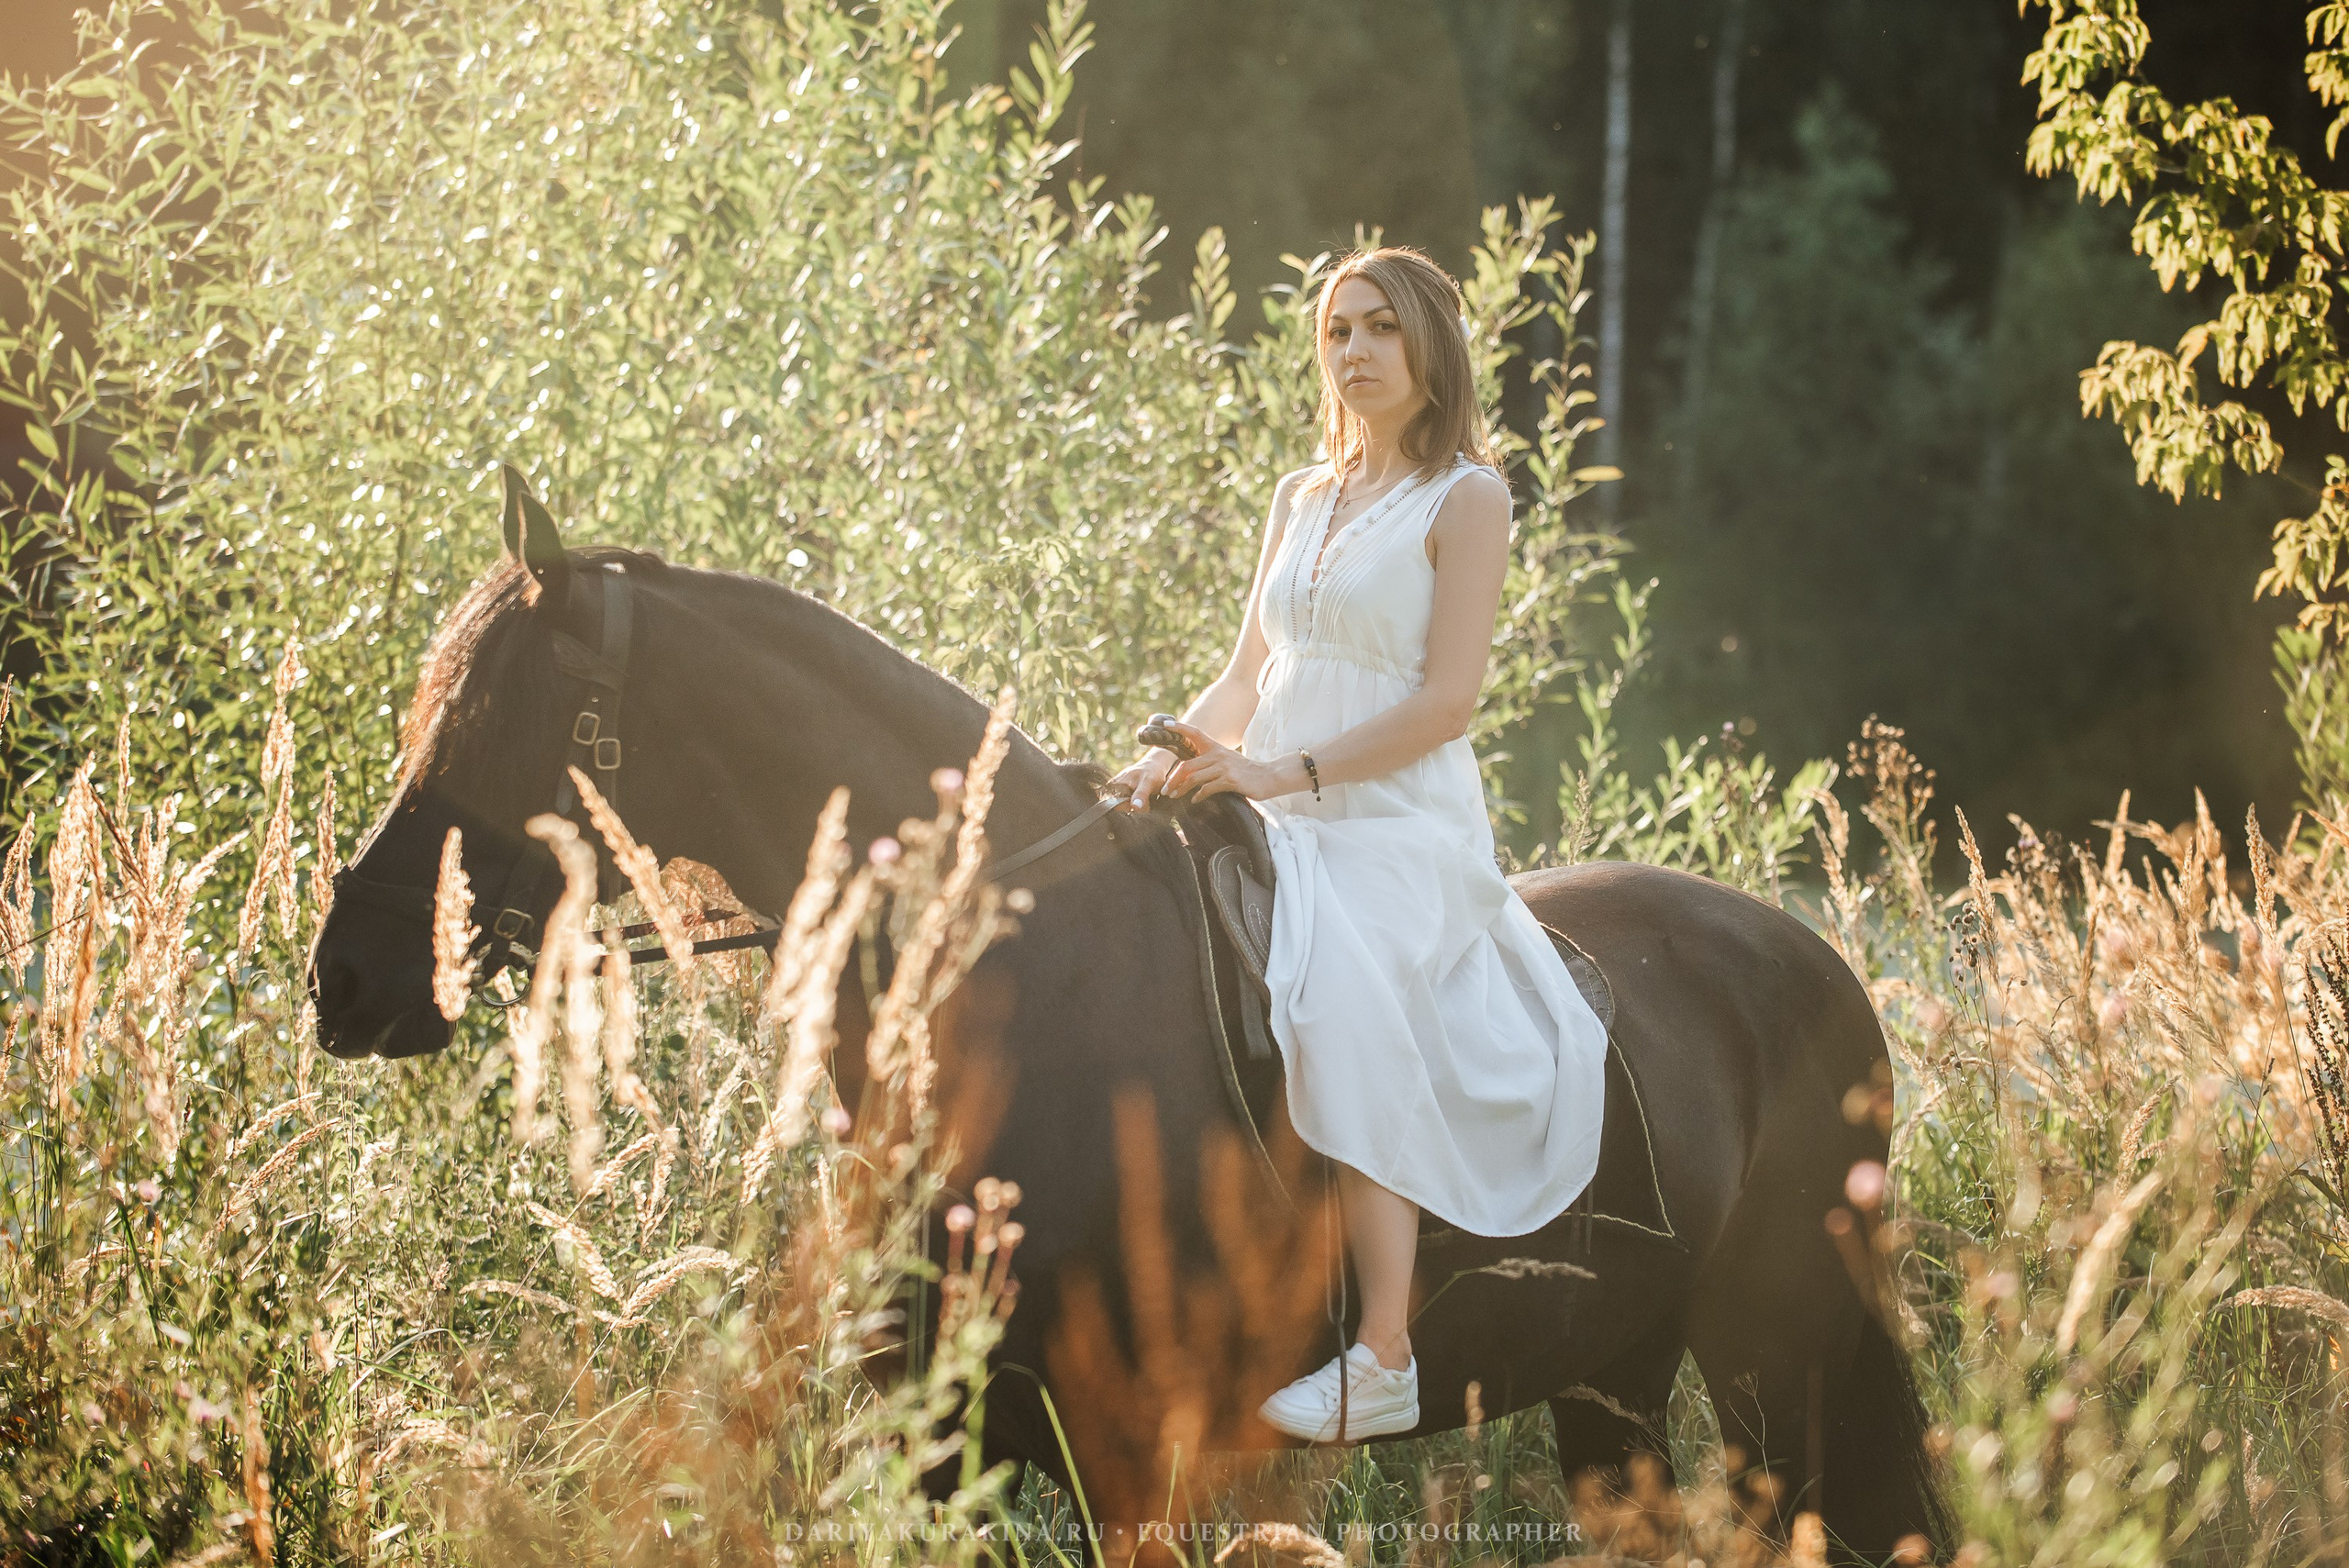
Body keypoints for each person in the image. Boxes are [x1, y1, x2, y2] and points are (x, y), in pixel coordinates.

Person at [1108, 246, 1609, 1445]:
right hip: (1276, 803)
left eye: (1381, 328)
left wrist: (1288, 770)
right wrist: (1178, 747)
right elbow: (1249, 674)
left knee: (1337, 991)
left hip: (1398, 823)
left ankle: (1384, 1348)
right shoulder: (1301, 494)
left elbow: (1448, 702)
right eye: (1338, 331)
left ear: (1431, 345)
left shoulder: (1467, 497)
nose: (1356, 352)